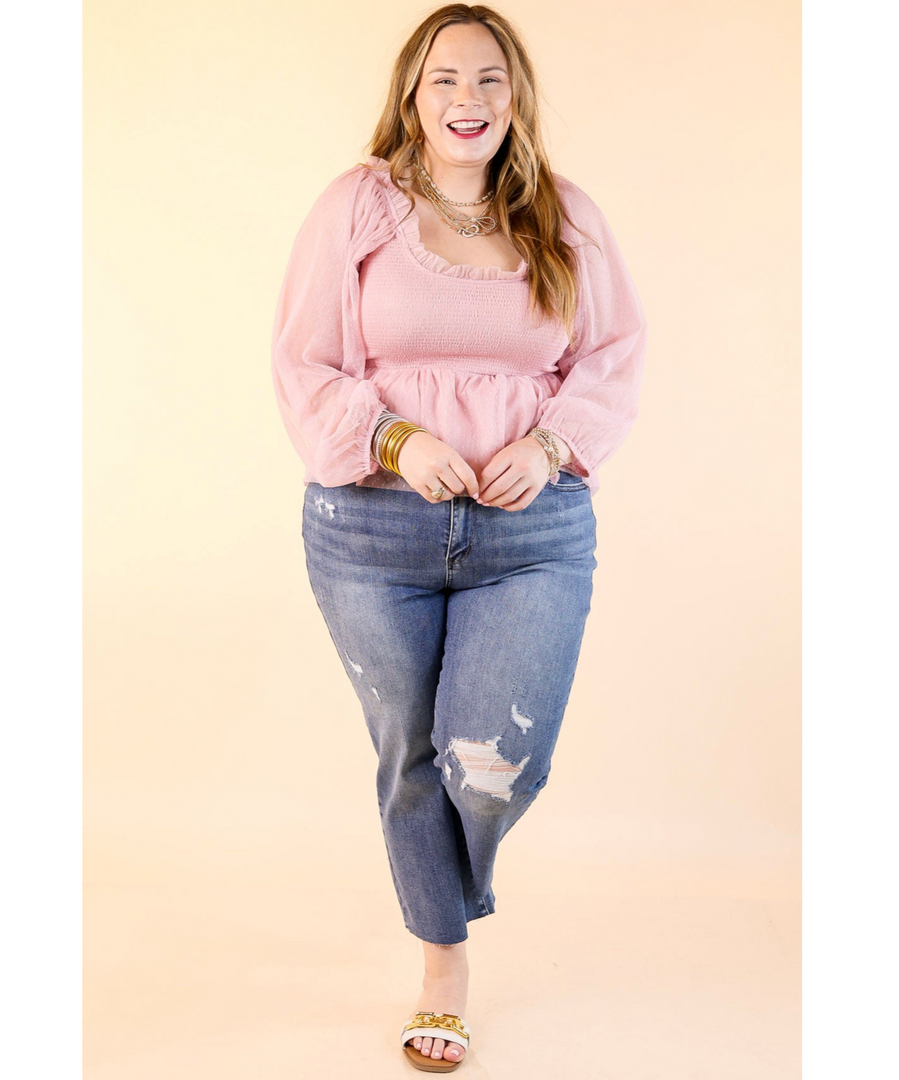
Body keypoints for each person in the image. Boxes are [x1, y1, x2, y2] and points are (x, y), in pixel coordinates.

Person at [270, 5, 647, 1070]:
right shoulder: (358, 209)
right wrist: (390, 437)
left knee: (494, 763)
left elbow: (614, 354)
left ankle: (447, 885)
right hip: (368, 531)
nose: (467, 100)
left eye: (489, 79)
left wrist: (554, 443)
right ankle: (444, 962)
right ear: (411, 94)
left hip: (531, 533)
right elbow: (302, 362)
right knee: (412, 758)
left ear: (514, 95)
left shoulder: (565, 217)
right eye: (445, 80)